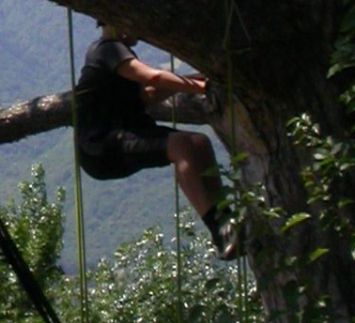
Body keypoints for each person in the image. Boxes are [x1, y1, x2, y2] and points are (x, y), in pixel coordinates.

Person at [74, 21, 241, 260]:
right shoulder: (108, 49)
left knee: (199, 142)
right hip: (101, 146)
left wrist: (199, 79)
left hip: (113, 140)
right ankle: (220, 231)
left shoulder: (113, 54)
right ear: (117, 21)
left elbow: (146, 97)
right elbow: (152, 77)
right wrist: (201, 87)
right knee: (181, 146)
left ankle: (227, 219)